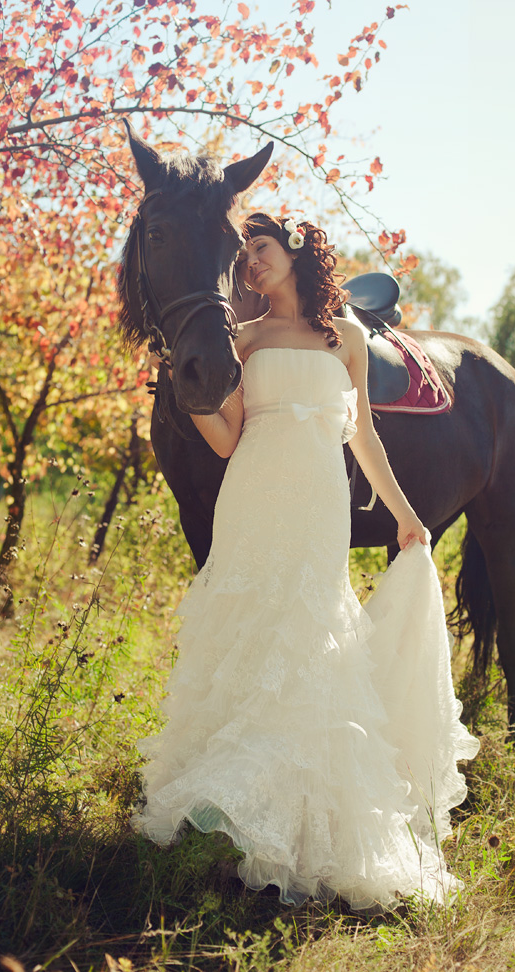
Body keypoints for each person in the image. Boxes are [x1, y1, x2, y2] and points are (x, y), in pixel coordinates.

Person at [132, 213, 480, 911]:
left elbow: (365, 440)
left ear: (293, 253)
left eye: (259, 250)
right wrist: (186, 385)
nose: (250, 265)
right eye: (246, 256)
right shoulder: (245, 338)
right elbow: (227, 439)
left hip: (319, 502)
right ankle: (227, 809)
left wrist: (407, 515)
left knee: (310, 634)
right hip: (253, 494)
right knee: (247, 631)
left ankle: (298, 816)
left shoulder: (344, 337)